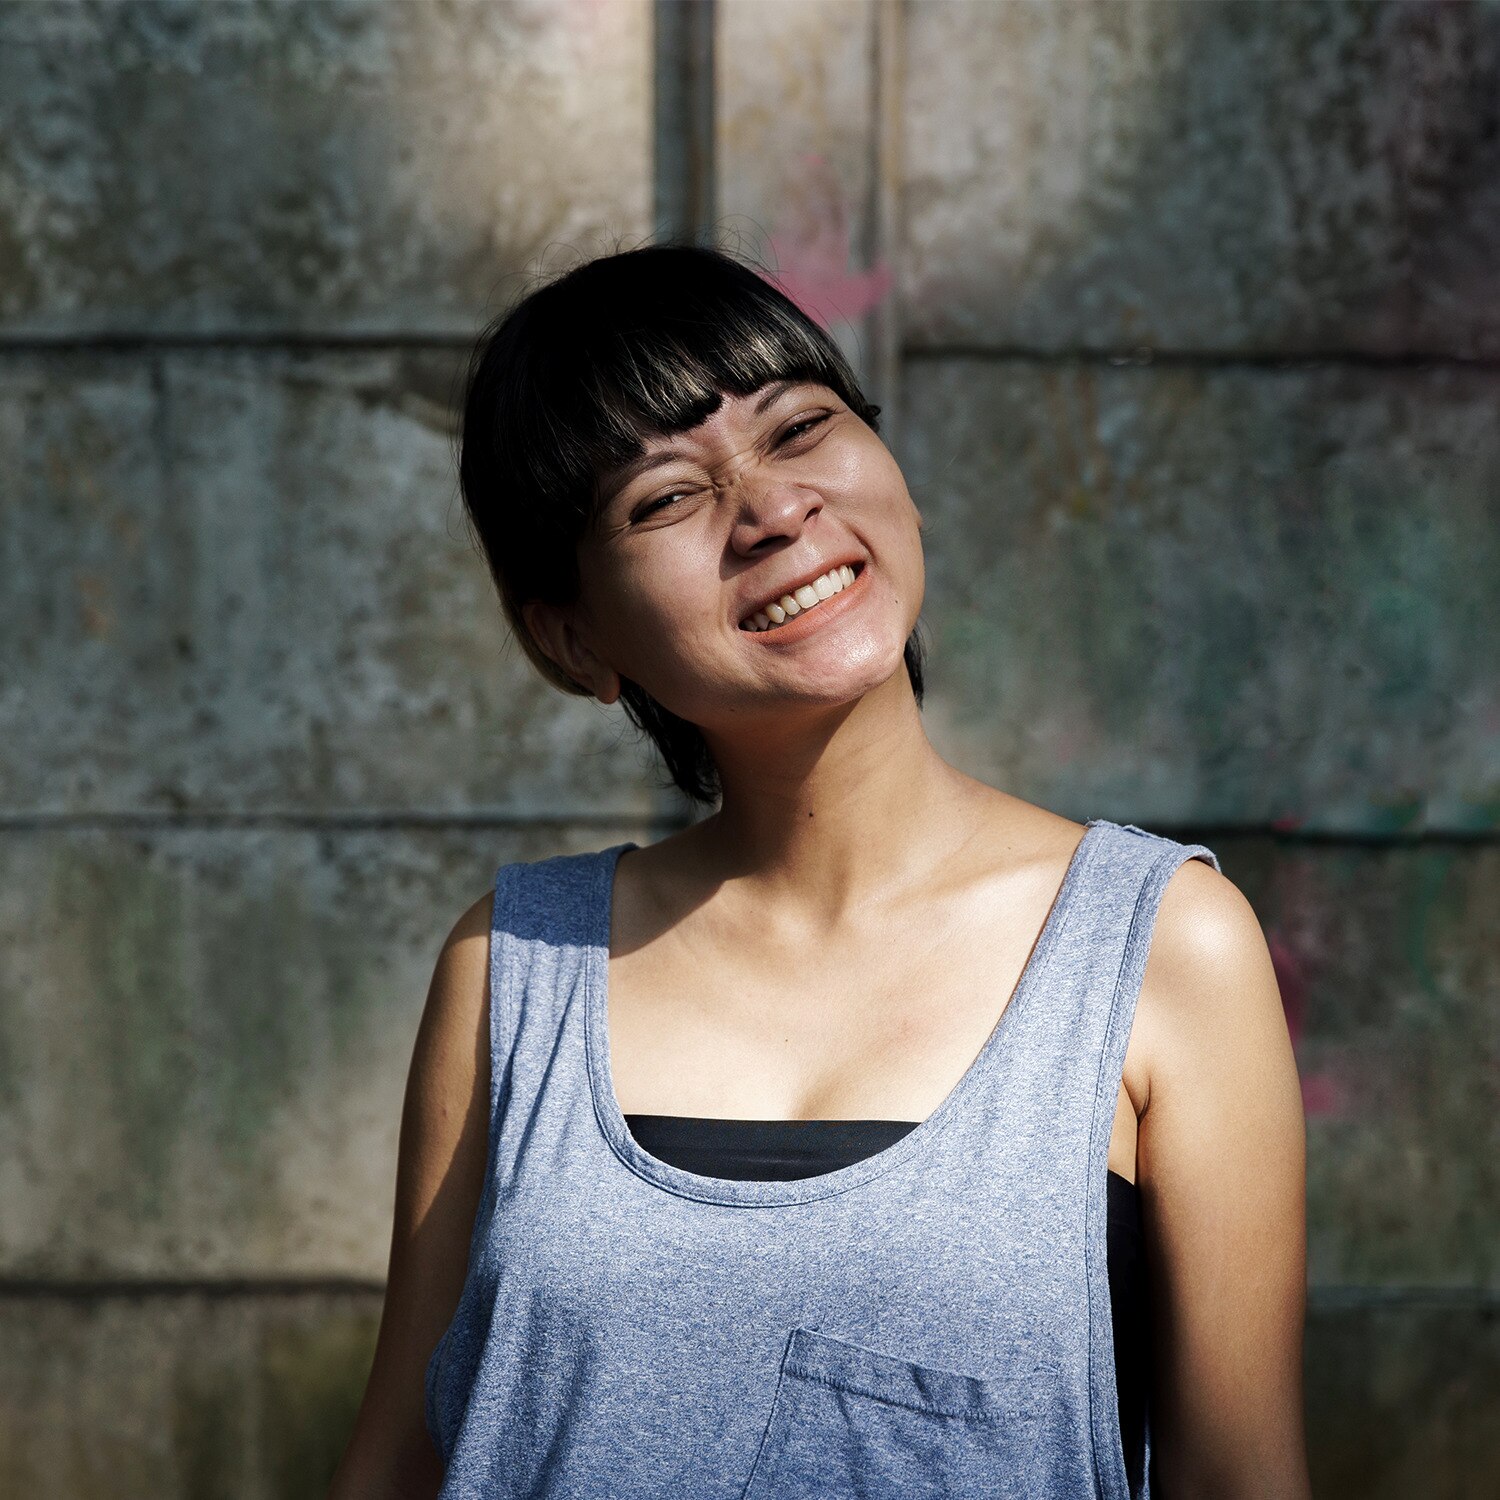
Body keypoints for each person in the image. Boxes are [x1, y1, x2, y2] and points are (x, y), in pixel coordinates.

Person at [330, 244, 1310, 1500]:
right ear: (571, 639)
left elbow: (1243, 1476)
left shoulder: (1162, 944)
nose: (776, 510)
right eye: (663, 499)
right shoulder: (513, 967)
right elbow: (400, 1463)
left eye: (802, 427)